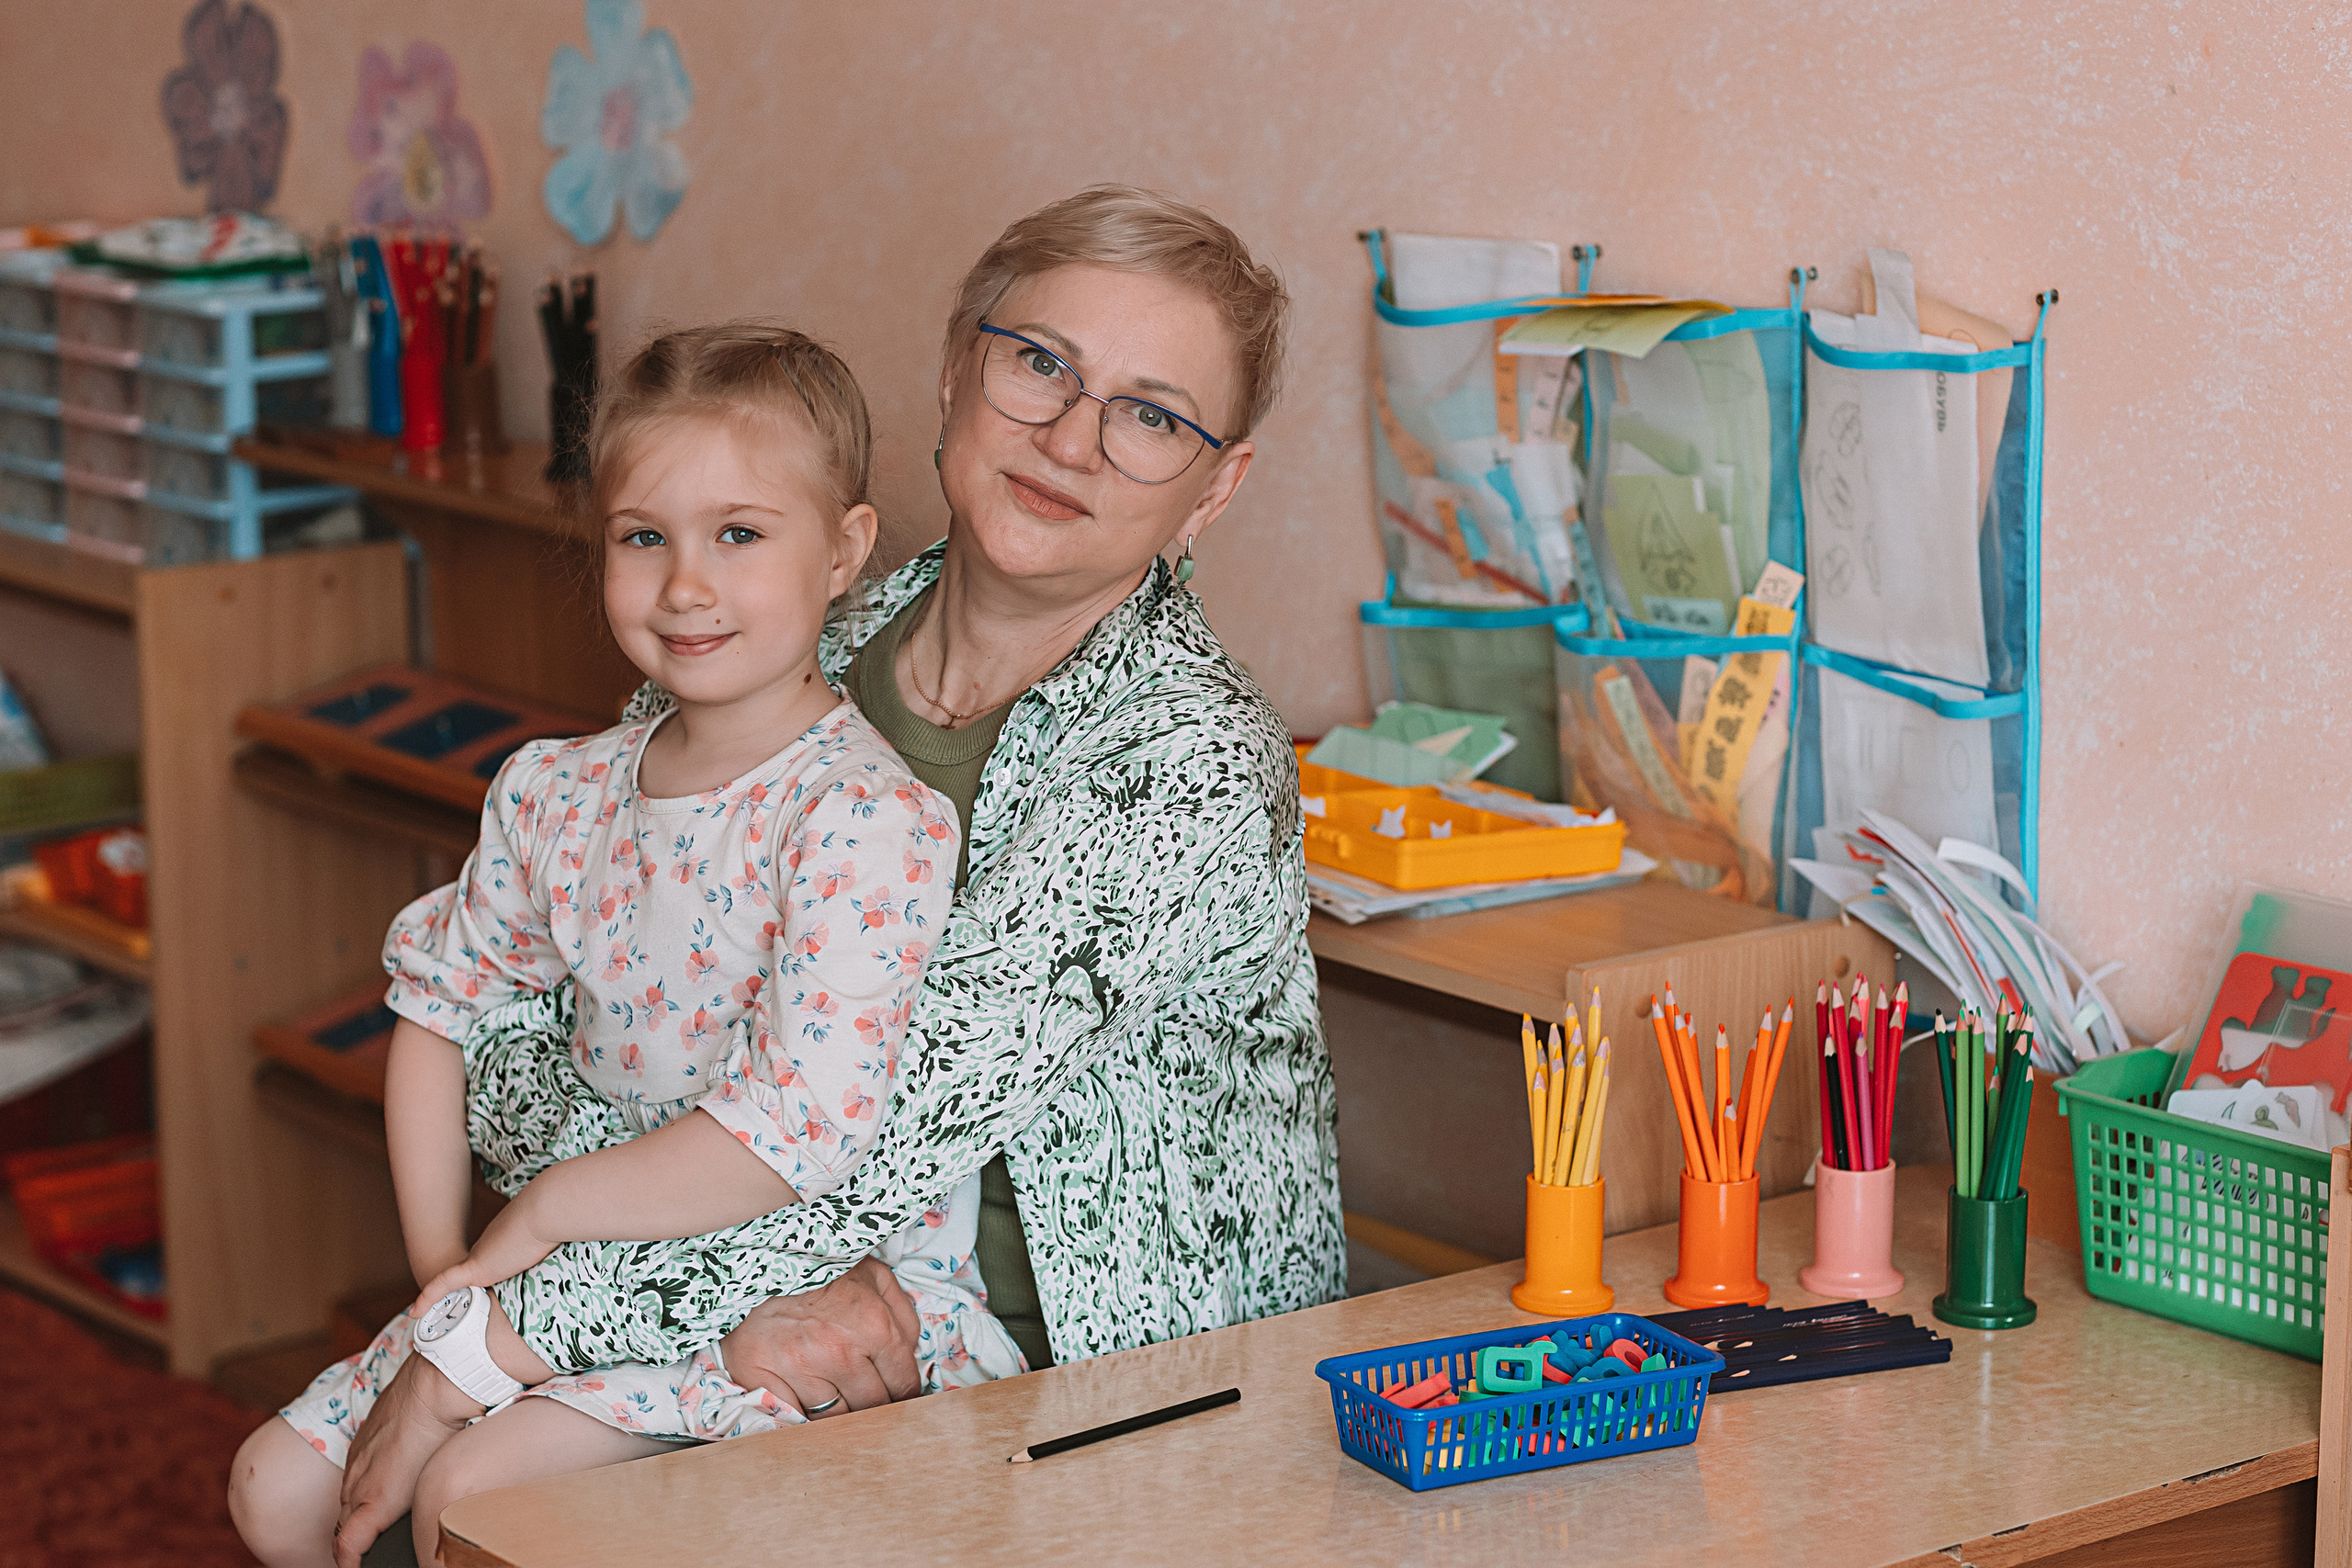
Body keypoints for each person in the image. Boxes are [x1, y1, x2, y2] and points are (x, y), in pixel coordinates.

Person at [328, 185, 1347, 1559]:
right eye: (1040, 364)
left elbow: (873, 1137)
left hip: (1102, 1387)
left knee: (486, 1497)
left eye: (1153, 414)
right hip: (773, 1281)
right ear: (953, 370)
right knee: (397, 1494)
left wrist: (483, 1339)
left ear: (1214, 487)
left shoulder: (1187, 757)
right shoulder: (786, 618)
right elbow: (527, 1023)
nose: (1071, 437)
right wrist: (690, 1252)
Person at [229, 324, 1023, 1568]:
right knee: (272, 1490)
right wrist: (447, 1270)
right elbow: (440, 1008)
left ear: (845, 553)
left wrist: (539, 1216)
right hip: (577, 1262)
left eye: (740, 535)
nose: (685, 585)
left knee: (476, 1494)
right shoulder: (557, 790)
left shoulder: (865, 822)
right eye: (643, 537)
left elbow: (791, 1132)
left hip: (784, 1279)